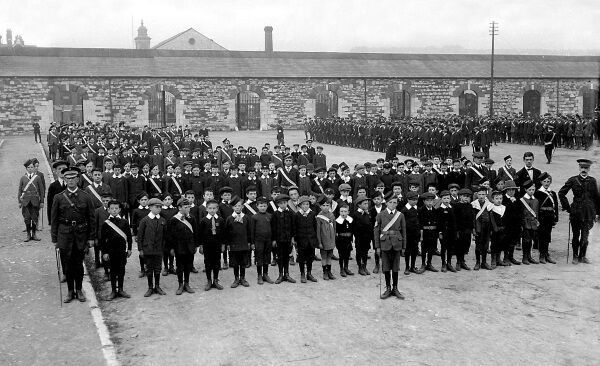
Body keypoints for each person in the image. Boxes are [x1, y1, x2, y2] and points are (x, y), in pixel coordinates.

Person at [50, 167, 96, 303]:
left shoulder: (86, 197)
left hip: (81, 235)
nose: (70, 180)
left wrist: (91, 237)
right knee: (68, 264)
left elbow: (91, 218)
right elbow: (54, 219)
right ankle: (70, 291)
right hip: (64, 235)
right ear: (64, 179)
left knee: (78, 263)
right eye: (68, 178)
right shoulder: (58, 198)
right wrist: (54, 239)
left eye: (73, 178)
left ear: (78, 179)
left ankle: (80, 289)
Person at [558, 159, 600, 264]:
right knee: (576, 235)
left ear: (589, 169)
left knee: (585, 236)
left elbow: (596, 197)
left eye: (586, 168)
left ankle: (583, 256)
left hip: (588, 213)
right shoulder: (573, 180)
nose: (584, 170)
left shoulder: (592, 181)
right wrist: (567, 207)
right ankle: (575, 256)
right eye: (582, 168)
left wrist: (597, 212)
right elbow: (561, 193)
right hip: (576, 212)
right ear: (579, 168)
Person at [374, 193, 406, 300]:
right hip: (385, 243)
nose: (393, 204)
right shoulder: (380, 215)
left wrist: (404, 246)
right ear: (386, 203)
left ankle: (395, 288)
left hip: (397, 243)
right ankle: (388, 287)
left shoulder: (400, 215)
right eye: (390, 202)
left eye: (395, 203)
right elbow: (376, 232)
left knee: (395, 268)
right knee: (386, 267)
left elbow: (404, 232)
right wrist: (377, 247)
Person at [100, 200, 133, 300]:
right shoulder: (106, 224)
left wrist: (130, 249)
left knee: (121, 270)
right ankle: (114, 290)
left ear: (119, 209)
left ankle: (121, 289)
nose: (114, 210)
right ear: (108, 210)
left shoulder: (124, 222)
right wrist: (104, 252)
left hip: (122, 250)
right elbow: (102, 240)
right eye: (112, 209)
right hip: (111, 251)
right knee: (113, 271)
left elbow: (129, 237)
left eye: (116, 208)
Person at [167, 198, 198, 295]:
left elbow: (195, 232)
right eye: (185, 207)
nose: (188, 208)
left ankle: (187, 284)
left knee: (188, 266)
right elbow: (170, 235)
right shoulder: (173, 220)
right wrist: (171, 248)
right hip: (179, 247)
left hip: (189, 247)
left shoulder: (192, 218)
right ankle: (180, 284)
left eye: (189, 206)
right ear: (179, 208)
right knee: (180, 267)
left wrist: (195, 245)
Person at [137, 198, 167, 297]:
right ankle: (150, 287)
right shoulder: (144, 220)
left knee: (158, 268)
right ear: (150, 207)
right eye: (156, 207)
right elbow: (140, 236)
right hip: (148, 249)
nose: (158, 209)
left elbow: (165, 236)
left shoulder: (162, 220)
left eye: (160, 207)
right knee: (149, 269)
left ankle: (157, 286)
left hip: (158, 250)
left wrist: (163, 248)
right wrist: (140, 249)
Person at [198, 199, 226, 291]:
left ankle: (216, 280)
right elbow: (200, 234)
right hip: (207, 245)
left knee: (217, 262)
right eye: (210, 208)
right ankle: (209, 280)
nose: (212, 210)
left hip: (217, 245)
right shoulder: (203, 220)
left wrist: (223, 244)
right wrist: (201, 246)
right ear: (206, 209)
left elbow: (223, 234)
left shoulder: (221, 220)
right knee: (208, 263)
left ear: (217, 208)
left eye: (214, 208)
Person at [226, 196, 252, 288]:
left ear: (242, 207)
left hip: (244, 244)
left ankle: (243, 278)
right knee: (235, 263)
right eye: (235, 206)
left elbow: (249, 231)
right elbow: (227, 232)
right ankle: (236, 278)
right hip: (234, 244)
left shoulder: (246, 218)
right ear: (233, 207)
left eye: (239, 206)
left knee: (243, 262)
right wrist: (228, 244)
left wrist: (249, 242)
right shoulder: (229, 218)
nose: (238, 207)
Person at [271, 194, 296, 284]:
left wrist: (293, 238)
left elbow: (293, 226)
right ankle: (280, 274)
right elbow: (273, 228)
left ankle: (287, 274)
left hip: (288, 239)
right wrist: (274, 240)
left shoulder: (290, 213)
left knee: (287, 257)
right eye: (281, 203)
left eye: (285, 203)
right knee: (280, 257)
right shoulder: (275, 214)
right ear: (278, 204)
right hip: (279, 240)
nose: (283, 205)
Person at [19, 159, 45, 242]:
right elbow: (20, 190)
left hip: (35, 200)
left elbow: (41, 190)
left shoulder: (37, 178)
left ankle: (34, 234)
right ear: (26, 168)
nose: (30, 168)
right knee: (26, 217)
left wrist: (42, 201)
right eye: (28, 167)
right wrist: (20, 201)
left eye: (32, 167)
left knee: (34, 217)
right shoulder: (23, 178)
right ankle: (28, 234)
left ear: (34, 168)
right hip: (25, 201)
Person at [293, 195, 318, 283]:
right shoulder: (297, 215)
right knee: (301, 258)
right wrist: (295, 239)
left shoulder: (312, 214)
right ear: (300, 205)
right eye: (303, 204)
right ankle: (302, 273)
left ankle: (309, 273)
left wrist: (315, 238)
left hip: (311, 240)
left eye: (307, 204)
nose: (305, 206)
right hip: (301, 240)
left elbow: (315, 227)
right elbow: (295, 228)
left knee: (310, 257)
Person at [250, 196, 275, 284]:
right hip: (258, 241)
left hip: (268, 240)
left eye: (264, 206)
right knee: (259, 258)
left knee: (267, 257)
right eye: (261, 206)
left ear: (267, 206)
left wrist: (273, 240)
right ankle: (259, 275)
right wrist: (252, 243)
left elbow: (273, 229)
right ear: (257, 206)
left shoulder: (270, 216)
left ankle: (265, 274)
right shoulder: (254, 217)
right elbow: (252, 231)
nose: (263, 207)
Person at [535, 172, 558, 264]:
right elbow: (536, 207)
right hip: (542, 217)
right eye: (544, 181)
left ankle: (546, 254)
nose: (546, 183)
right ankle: (541, 254)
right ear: (541, 182)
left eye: (548, 181)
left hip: (550, 217)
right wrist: (537, 219)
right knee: (542, 236)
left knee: (548, 236)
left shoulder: (553, 193)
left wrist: (555, 219)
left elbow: (555, 206)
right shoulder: (538, 193)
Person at [316, 196, 336, 280]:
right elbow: (318, 231)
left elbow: (334, 228)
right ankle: (325, 272)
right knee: (324, 257)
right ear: (320, 206)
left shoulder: (331, 215)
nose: (325, 207)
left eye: (327, 205)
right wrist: (319, 242)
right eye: (323, 205)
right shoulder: (319, 217)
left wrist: (334, 239)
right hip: (323, 240)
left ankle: (329, 272)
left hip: (331, 239)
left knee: (329, 256)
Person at [519, 180, 540, 265]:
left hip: (533, 223)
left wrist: (537, 221)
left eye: (533, 190)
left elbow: (536, 212)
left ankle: (529, 256)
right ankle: (524, 257)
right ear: (525, 190)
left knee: (531, 240)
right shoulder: (522, 200)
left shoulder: (536, 200)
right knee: (525, 240)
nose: (531, 191)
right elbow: (520, 213)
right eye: (529, 190)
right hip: (525, 223)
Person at [472, 186, 492, 270]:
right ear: (476, 194)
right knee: (478, 245)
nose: (481, 196)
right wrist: (473, 229)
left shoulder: (490, 204)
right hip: (478, 227)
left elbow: (491, 217)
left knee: (485, 245)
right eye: (479, 194)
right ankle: (477, 262)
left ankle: (484, 262)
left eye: (483, 194)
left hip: (486, 227)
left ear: (486, 194)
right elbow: (472, 218)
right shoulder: (474, 204)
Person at [352, 196, 372, 276]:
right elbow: (354, 227)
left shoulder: (368, 213)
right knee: (359, 252)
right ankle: (360, 267)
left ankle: (364, 266)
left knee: (365, 252)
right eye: (364, 204)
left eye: (367, 203)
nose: (366, 205)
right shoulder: (356, 214)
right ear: (359, 205)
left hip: (367, 237)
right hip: (359, 237)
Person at [418, 192, 439, 272]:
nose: (430, 202)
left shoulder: (435, 211)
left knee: (431, 248)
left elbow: (437, 222)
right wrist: (421, 235)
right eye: (427, 201)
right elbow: (420, 223)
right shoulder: (421, 210)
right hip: (425, 232)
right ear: (424, 201)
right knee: (424, 248)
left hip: (433, 232)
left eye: (431, 201)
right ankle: (423, 264)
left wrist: (436, 233)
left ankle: (429, 263)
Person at [454, 188, 474, 270]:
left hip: (467, 229)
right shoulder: (456, 206)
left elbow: (471, 218)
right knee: (459, 246)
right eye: (464, 196)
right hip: (459, 229)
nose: (466, 198)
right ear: (460, 197)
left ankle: (462, 261)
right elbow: (454, 219)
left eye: (468, 197)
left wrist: (472, 228)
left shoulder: (470, 206)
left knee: (466, 245)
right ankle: (458, 261)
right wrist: (456, 230)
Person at [335, 204, 354, 277]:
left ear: (348, 212)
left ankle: (346, 267)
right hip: (341, 240)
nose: (343, 213)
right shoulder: (337, 221)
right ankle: (341, 269)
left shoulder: (350, 220)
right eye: (341, 211)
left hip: (348, 240)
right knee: (341, 255)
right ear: (339, 212)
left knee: (347, 254)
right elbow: (336, 232)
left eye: (345, 211)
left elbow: (352, 230)